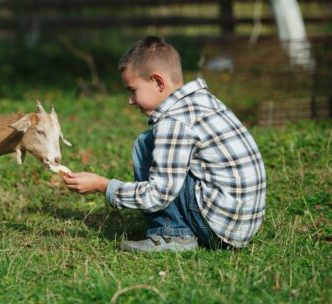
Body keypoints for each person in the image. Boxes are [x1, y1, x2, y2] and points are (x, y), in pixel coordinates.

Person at [63, 36, 266, 252]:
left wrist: (103, 185)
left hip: (221, 231)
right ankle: (177, 228)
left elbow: (157, 195)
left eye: (133, 90)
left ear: (158, 82)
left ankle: (171, 234)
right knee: (148, 141)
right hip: (242, 223)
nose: (130, 101)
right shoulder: (202, 100)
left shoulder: (174, 123)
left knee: (145, 144)